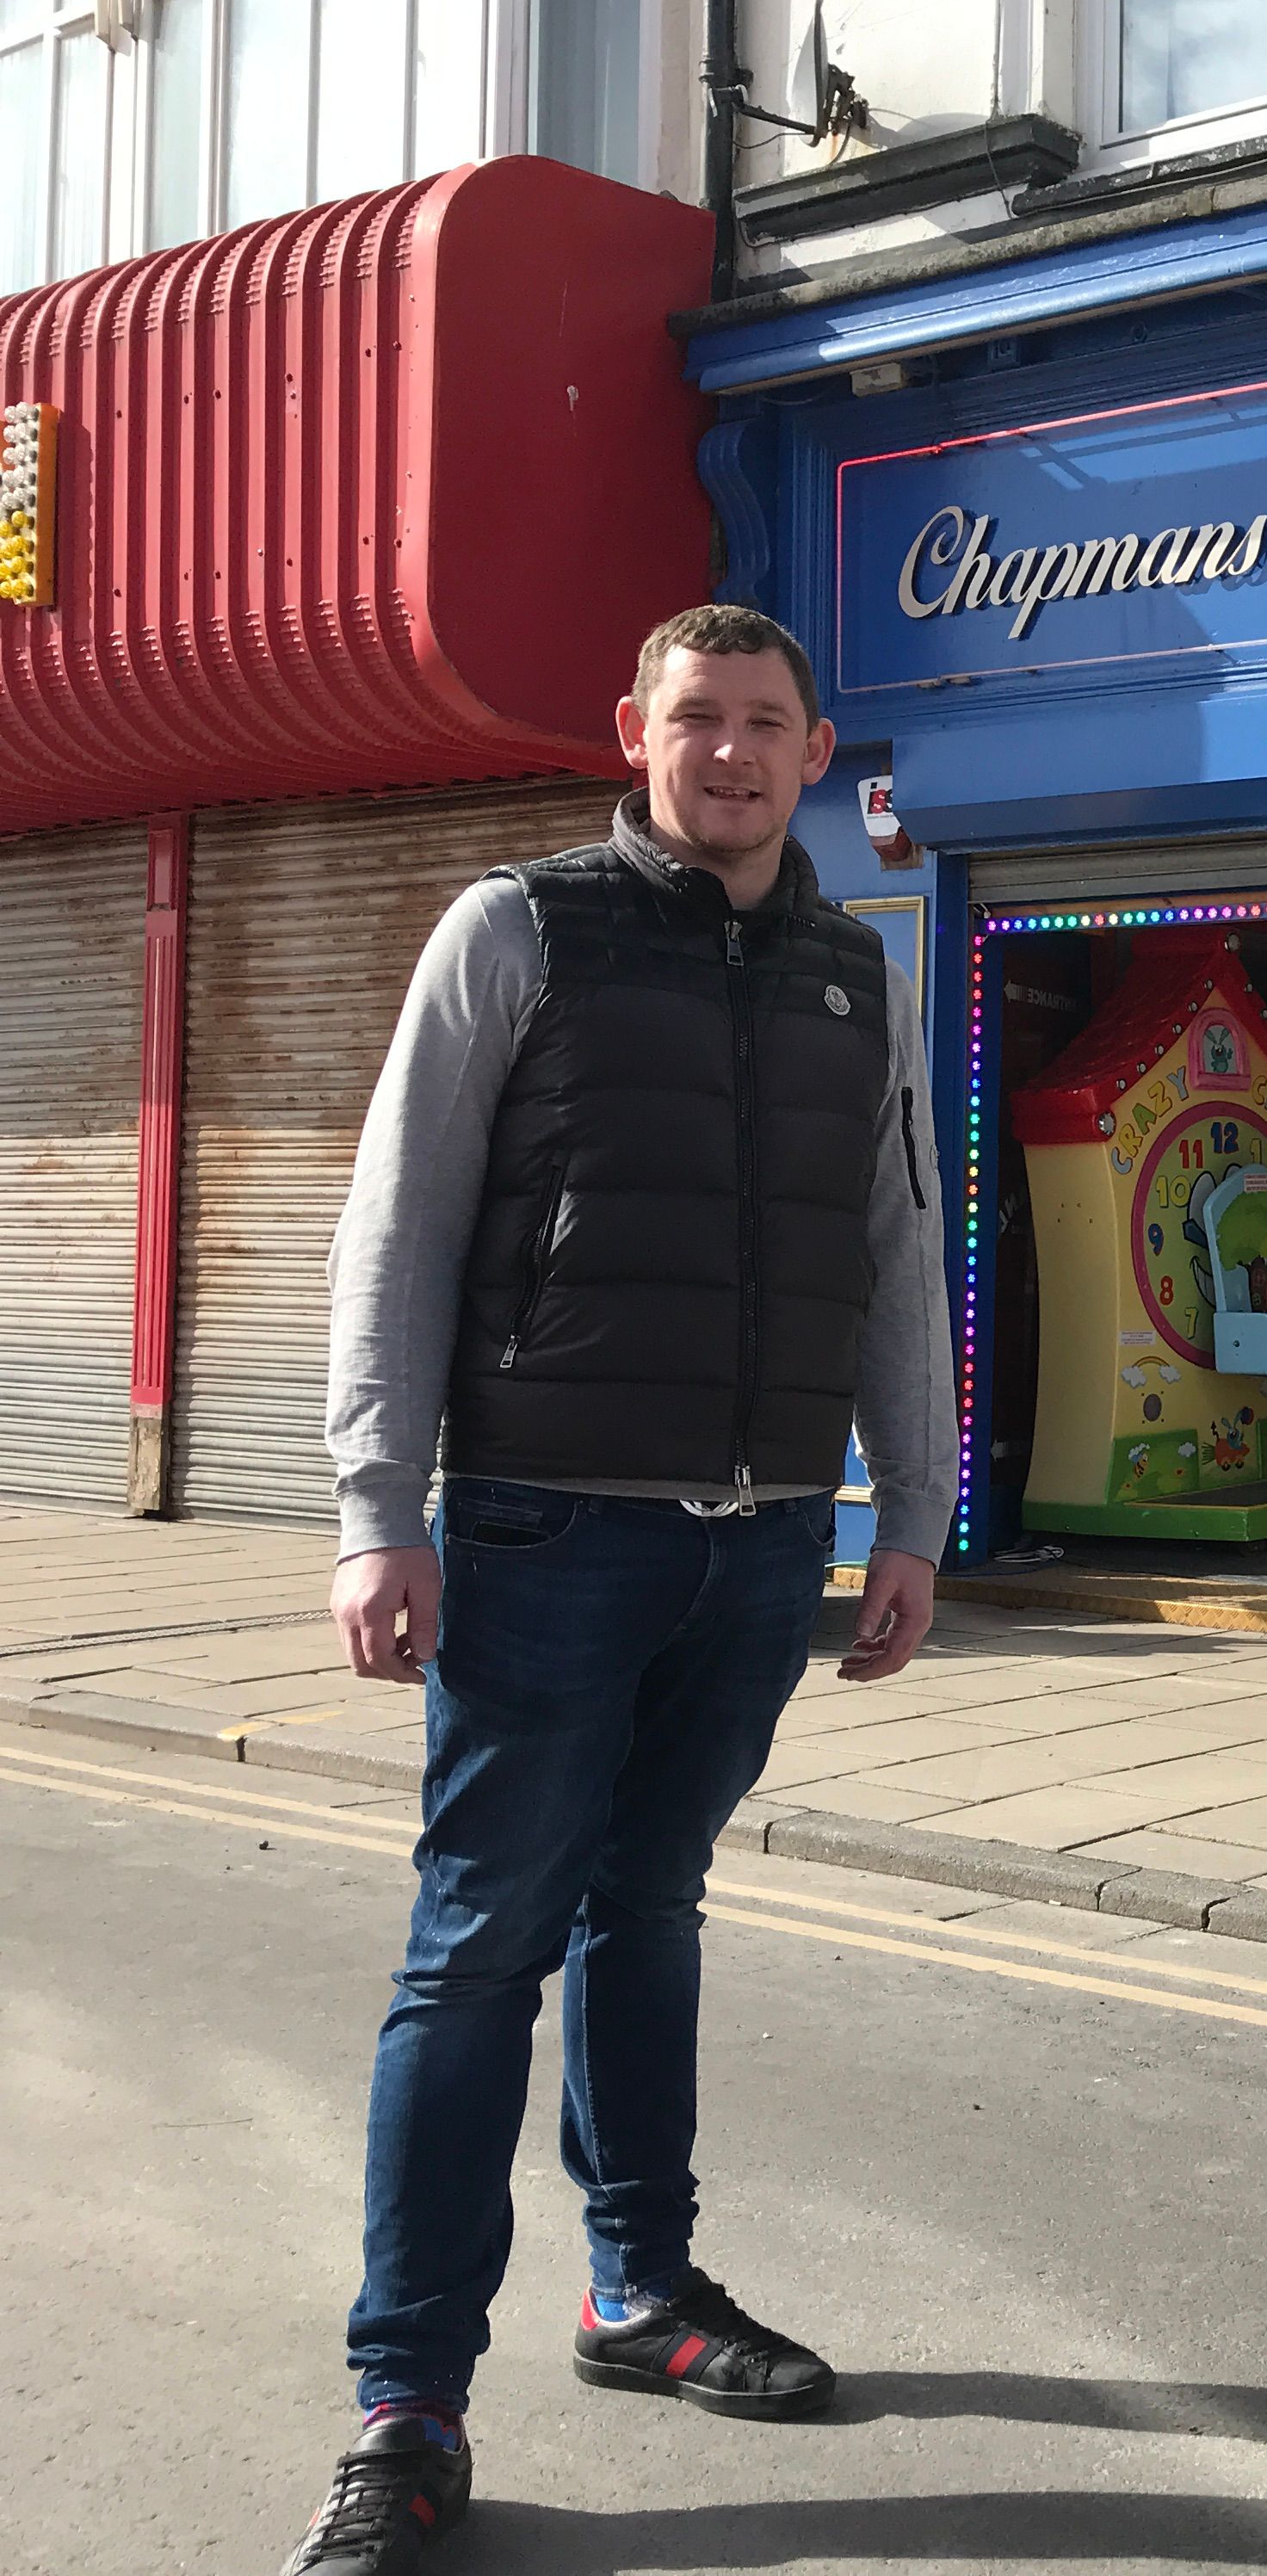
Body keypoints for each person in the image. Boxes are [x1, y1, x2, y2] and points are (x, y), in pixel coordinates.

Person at [281, 607, 957, 2576]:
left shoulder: (856, 976)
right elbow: (395, 1220)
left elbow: (899, 1242)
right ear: (634, 734)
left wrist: (903, 1508)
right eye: (698, 720)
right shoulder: (521, 927)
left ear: (816, 752)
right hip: (536, 1529)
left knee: (649, 1908)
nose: (731, 755)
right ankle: (406, 2402)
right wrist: (370, 1504)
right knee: (483, 1943)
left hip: (759, 1542)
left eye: (766, 725)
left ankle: (637, 2290)